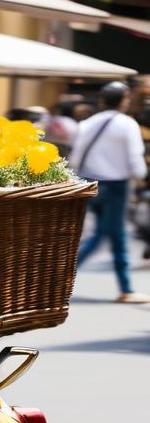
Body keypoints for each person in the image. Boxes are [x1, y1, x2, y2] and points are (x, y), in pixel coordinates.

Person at [71, 81, 150, 304]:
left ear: (102, 100)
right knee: (110, 234)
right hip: (115, 186)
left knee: (111, 235)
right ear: (124, 100)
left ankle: (126, 288)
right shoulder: (127, 124)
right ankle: (125, 289)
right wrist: (141, 177)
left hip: (88, 183)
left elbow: (76, 158)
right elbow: (136, 160)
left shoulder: (87, 123)